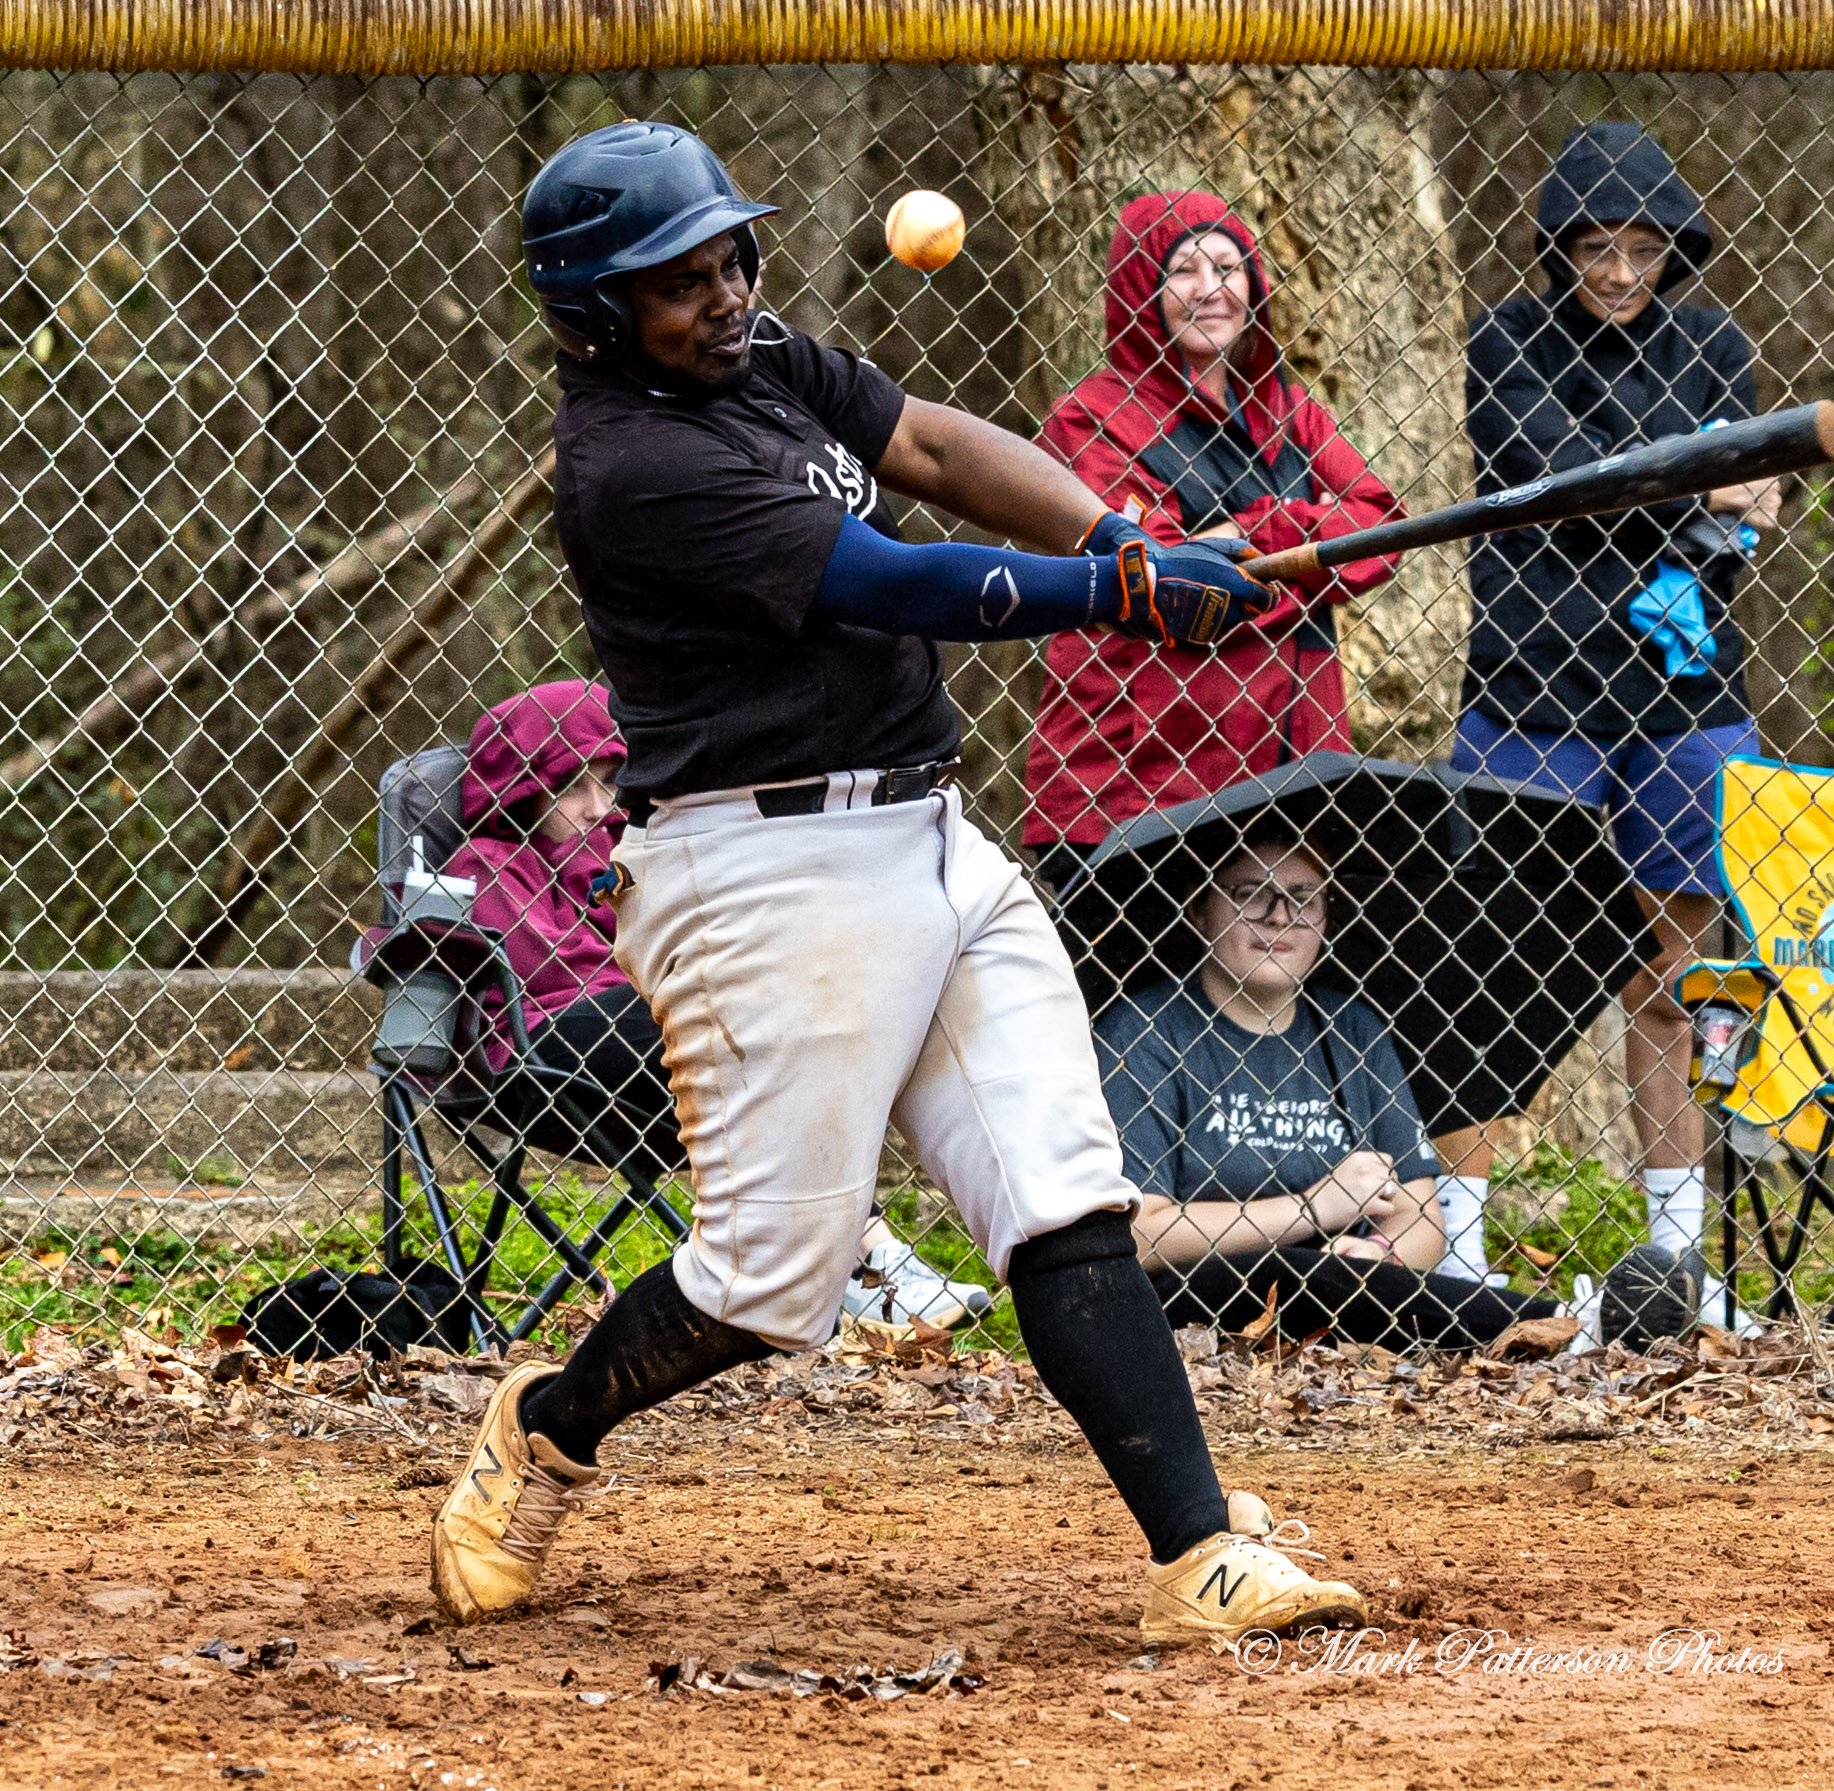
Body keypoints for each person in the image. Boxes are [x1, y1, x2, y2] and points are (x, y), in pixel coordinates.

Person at [427, 120, 1366, 1647]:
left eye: (732, 255)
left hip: (930, 836)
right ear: (595, 311)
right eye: (678, 282)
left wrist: (1121, 534)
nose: (726, 291)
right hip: (761, 876)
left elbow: (932, 448)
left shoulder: (761, 354)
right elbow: (882, 574)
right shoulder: (634, 464)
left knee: (1062, 1196)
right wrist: (1116, 596)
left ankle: (1200, 1554)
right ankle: (552, 1415)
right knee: (763, 1281)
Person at [1438, 123, 1786, 1322]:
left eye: (1645, 249)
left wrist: (1723, 504)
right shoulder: (1507, 339)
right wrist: (1705, 480)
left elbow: (1731, 525)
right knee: (1492, 963)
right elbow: (1560, 477)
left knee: (1675, 978)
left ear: (1675, 249)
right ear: (1559, 248)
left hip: (1681, 692)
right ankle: (1456, 1260)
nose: (1622, 273)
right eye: (1596, 247)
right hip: (1534, 686)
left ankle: (1677, 1267)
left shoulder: (1715, 346)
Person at [442, 677, 993, 1334]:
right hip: (549, 1045)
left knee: (790, 1030)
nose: (596, 807)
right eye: (569, 787)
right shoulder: (491, 864)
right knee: (748, 1015)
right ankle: (858, 1263)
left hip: (672, 1040)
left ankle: (845, 1260)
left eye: (608, 782)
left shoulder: (643, 848)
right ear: (523, 792)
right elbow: (557, 967)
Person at [1096, 824, 1701, 1353]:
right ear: (1201, 909)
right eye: (1251, 895)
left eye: (1304, 900)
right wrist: (1314, 1210)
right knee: (1298, 1270)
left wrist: (1380, 1257)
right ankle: (1573, 1327)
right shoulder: (1147, 1030)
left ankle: (1569, 1329)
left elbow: (1423, 1219)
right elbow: (1142, 1232)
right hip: (1190, 1288)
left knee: (1334, 1277)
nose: (1280, 917)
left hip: (1352, 1290)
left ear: (1327, 920)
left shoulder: (1353, 1028)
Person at [1021, 191, 1404, 888]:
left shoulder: (1291, 409)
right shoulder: (1093, 418)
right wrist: (1310, 538)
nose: (1211, 290)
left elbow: (1381, 524)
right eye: (1183, 270)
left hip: (1289, 761)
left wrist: (1250, 534)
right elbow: (1166, 585)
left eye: (1228, 267)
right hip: (1132, 779)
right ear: (1141, 285)